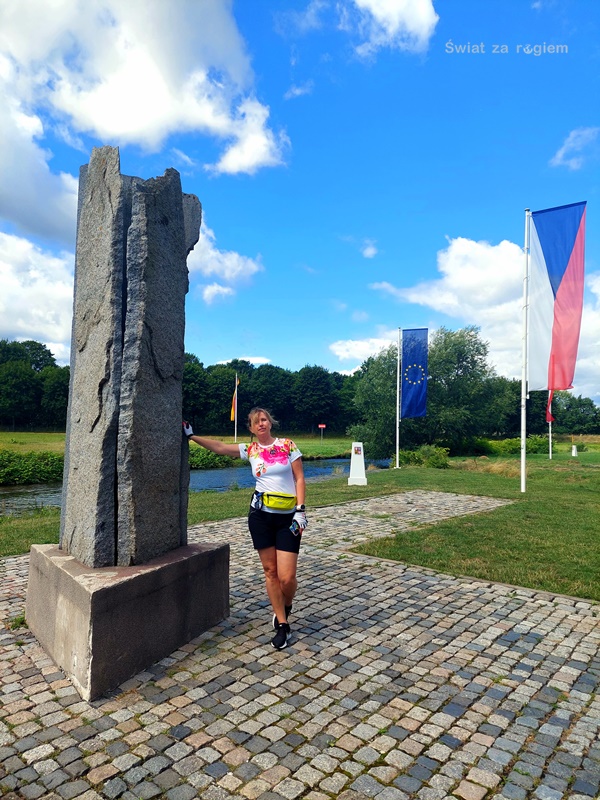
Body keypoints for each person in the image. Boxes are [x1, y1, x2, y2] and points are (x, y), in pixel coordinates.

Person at [183, 408, 307, 650]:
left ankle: (286, 603)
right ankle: (282, 624)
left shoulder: (287, 445)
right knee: (270, 571)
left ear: (270, 423)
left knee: (287, 577)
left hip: (288, 519)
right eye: (255, 422)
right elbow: (220, 447)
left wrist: (300, 510)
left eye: (263, 419)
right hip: (260, 517)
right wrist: (191, 436)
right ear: (251, 429)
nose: (260, 424)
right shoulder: (251, 450)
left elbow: (300, 478)